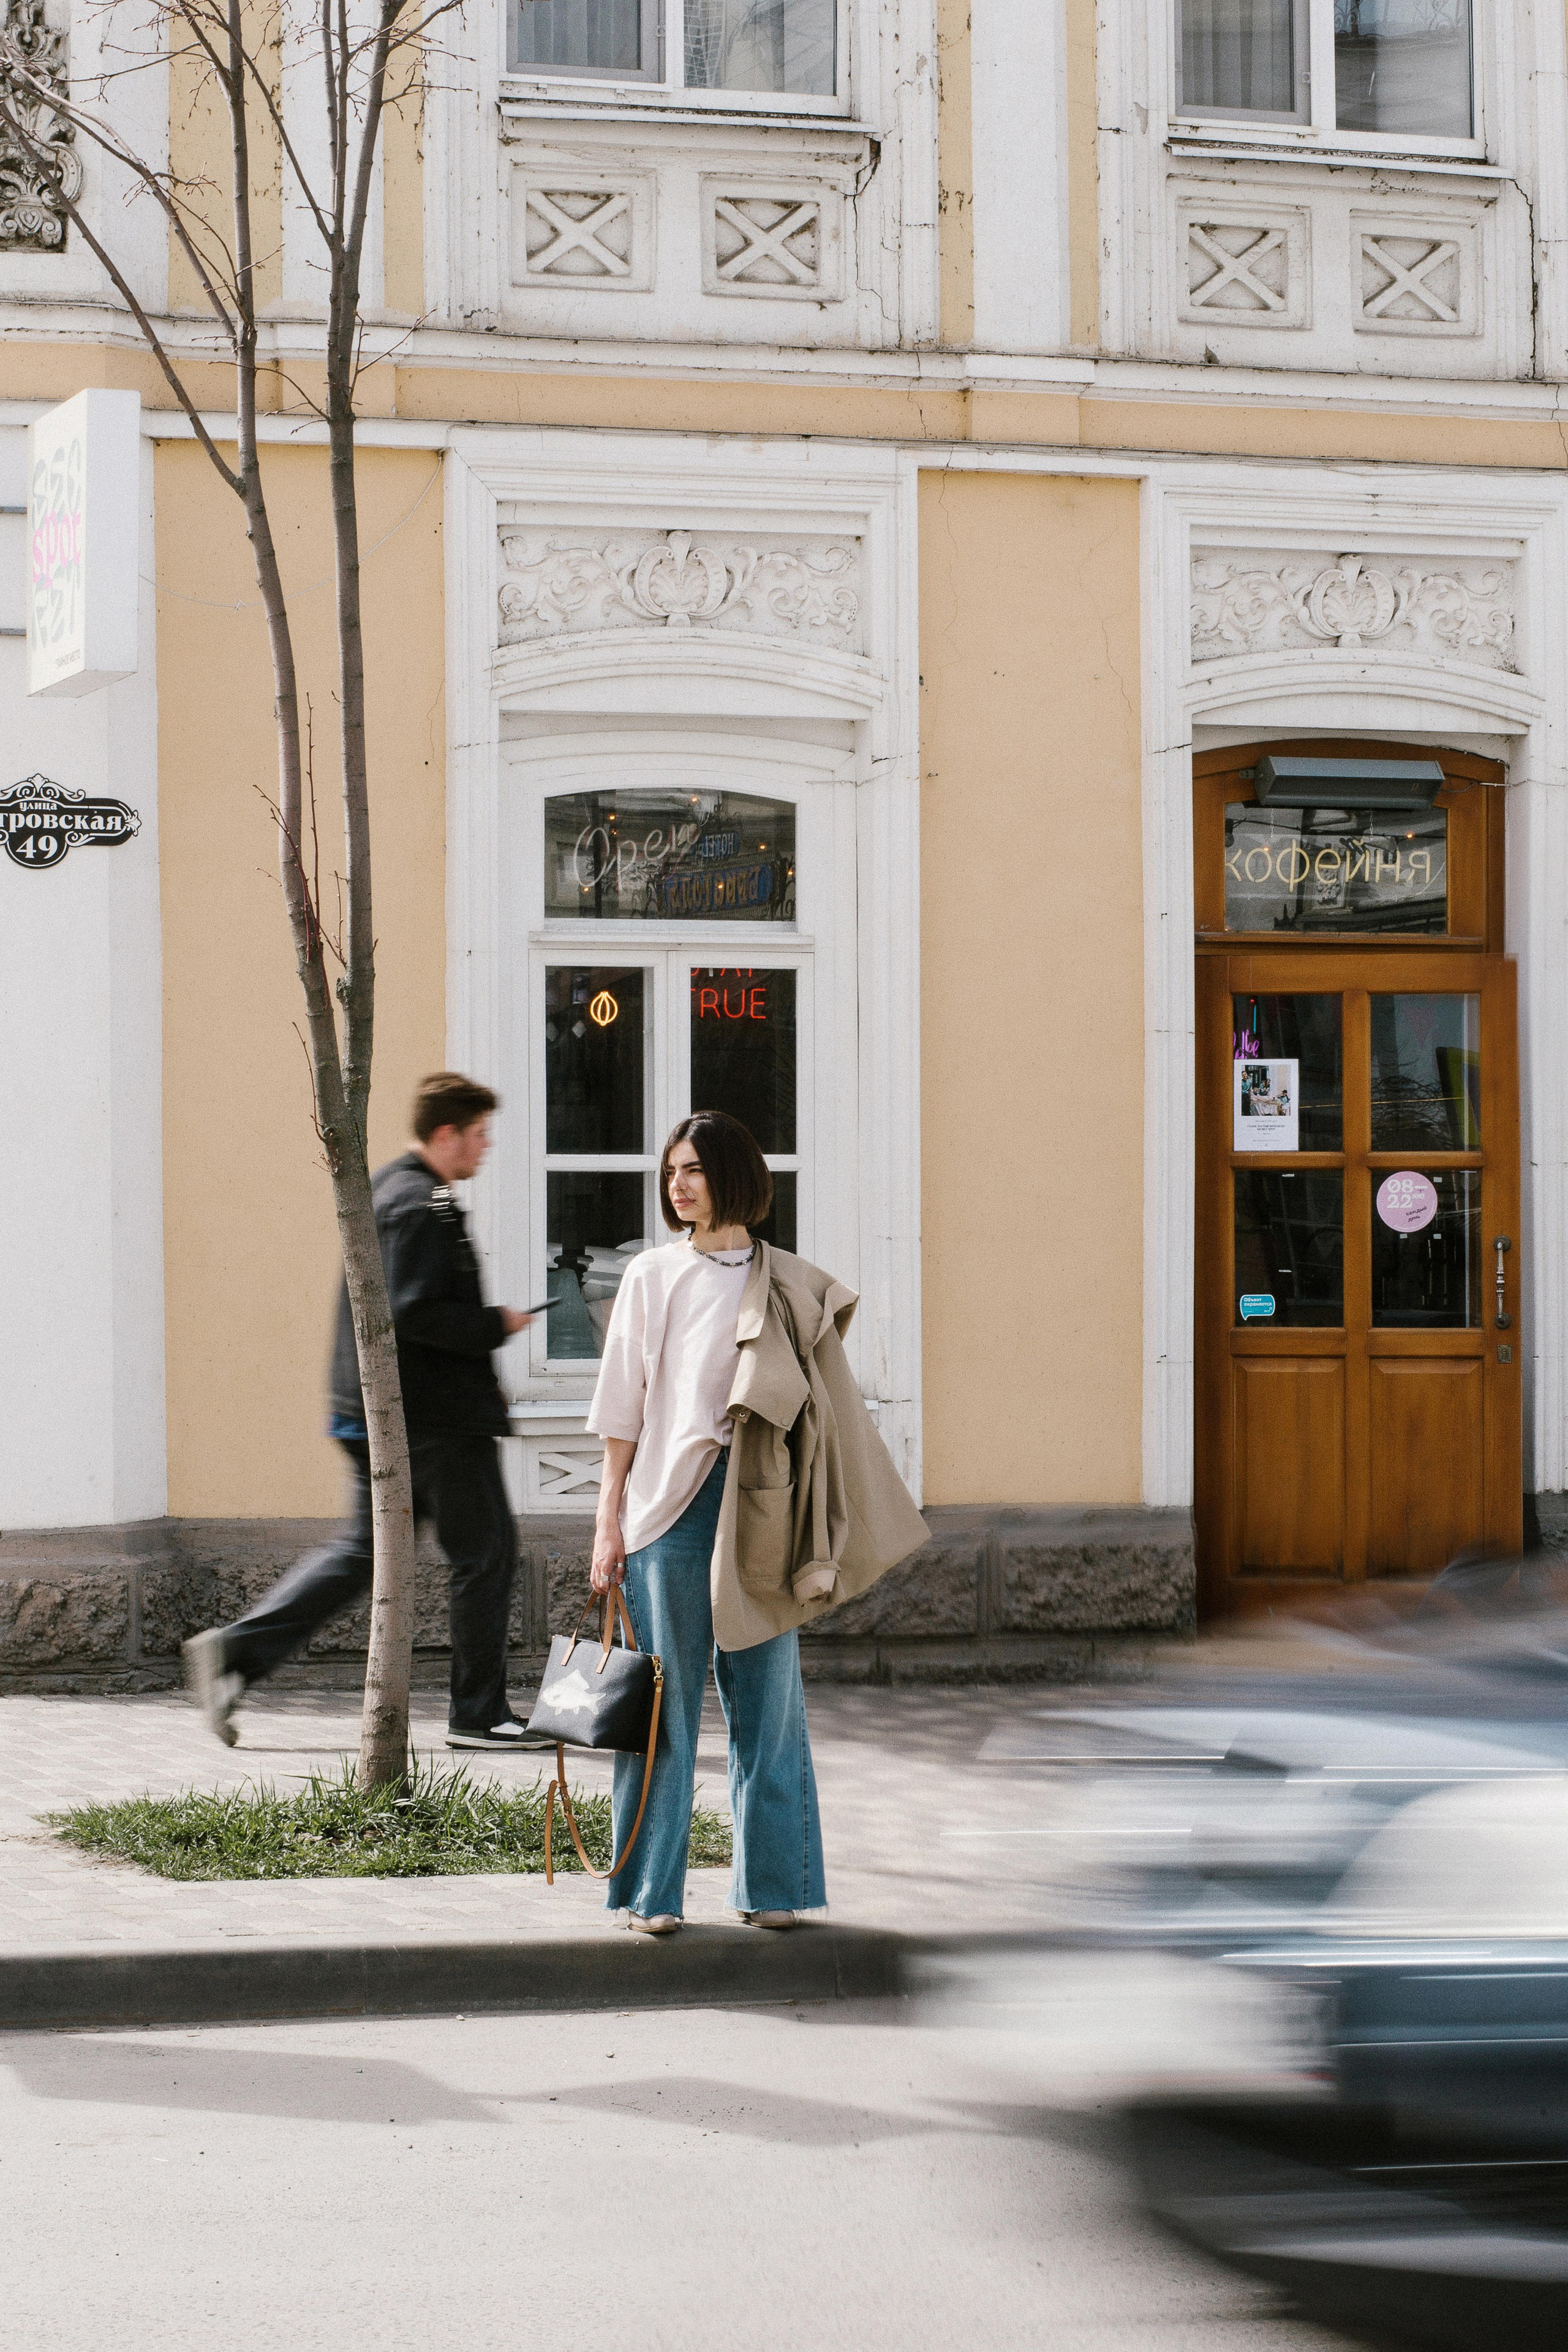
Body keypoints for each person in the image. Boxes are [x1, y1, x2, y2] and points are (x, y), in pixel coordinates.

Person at [586, 1109, 928, 1937]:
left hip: (760, 1508)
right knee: (662, 1706)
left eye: (695, 1169)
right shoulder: (651, 1278)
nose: (679, 1184)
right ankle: (651, 1893)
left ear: (735, 1176)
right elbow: (620, 1412)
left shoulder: (788, 1282)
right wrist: (609, 1522)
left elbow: (826, 1420)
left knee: (768, 1705)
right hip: (668, 1512)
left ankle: (775, 1887)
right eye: (672, 1171)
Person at [183, 1072, 541, 1751]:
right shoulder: (420, 1202)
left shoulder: (390, 1190)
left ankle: (234, 1655)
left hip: (385, 1413)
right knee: (487, 1555)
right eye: (479, 1135)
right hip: (431, 1422)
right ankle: (479, 1714)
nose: (485, 1148)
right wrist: (493, 1325)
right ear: (446, 1134)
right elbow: (411, 1312)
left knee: (363, 1554)